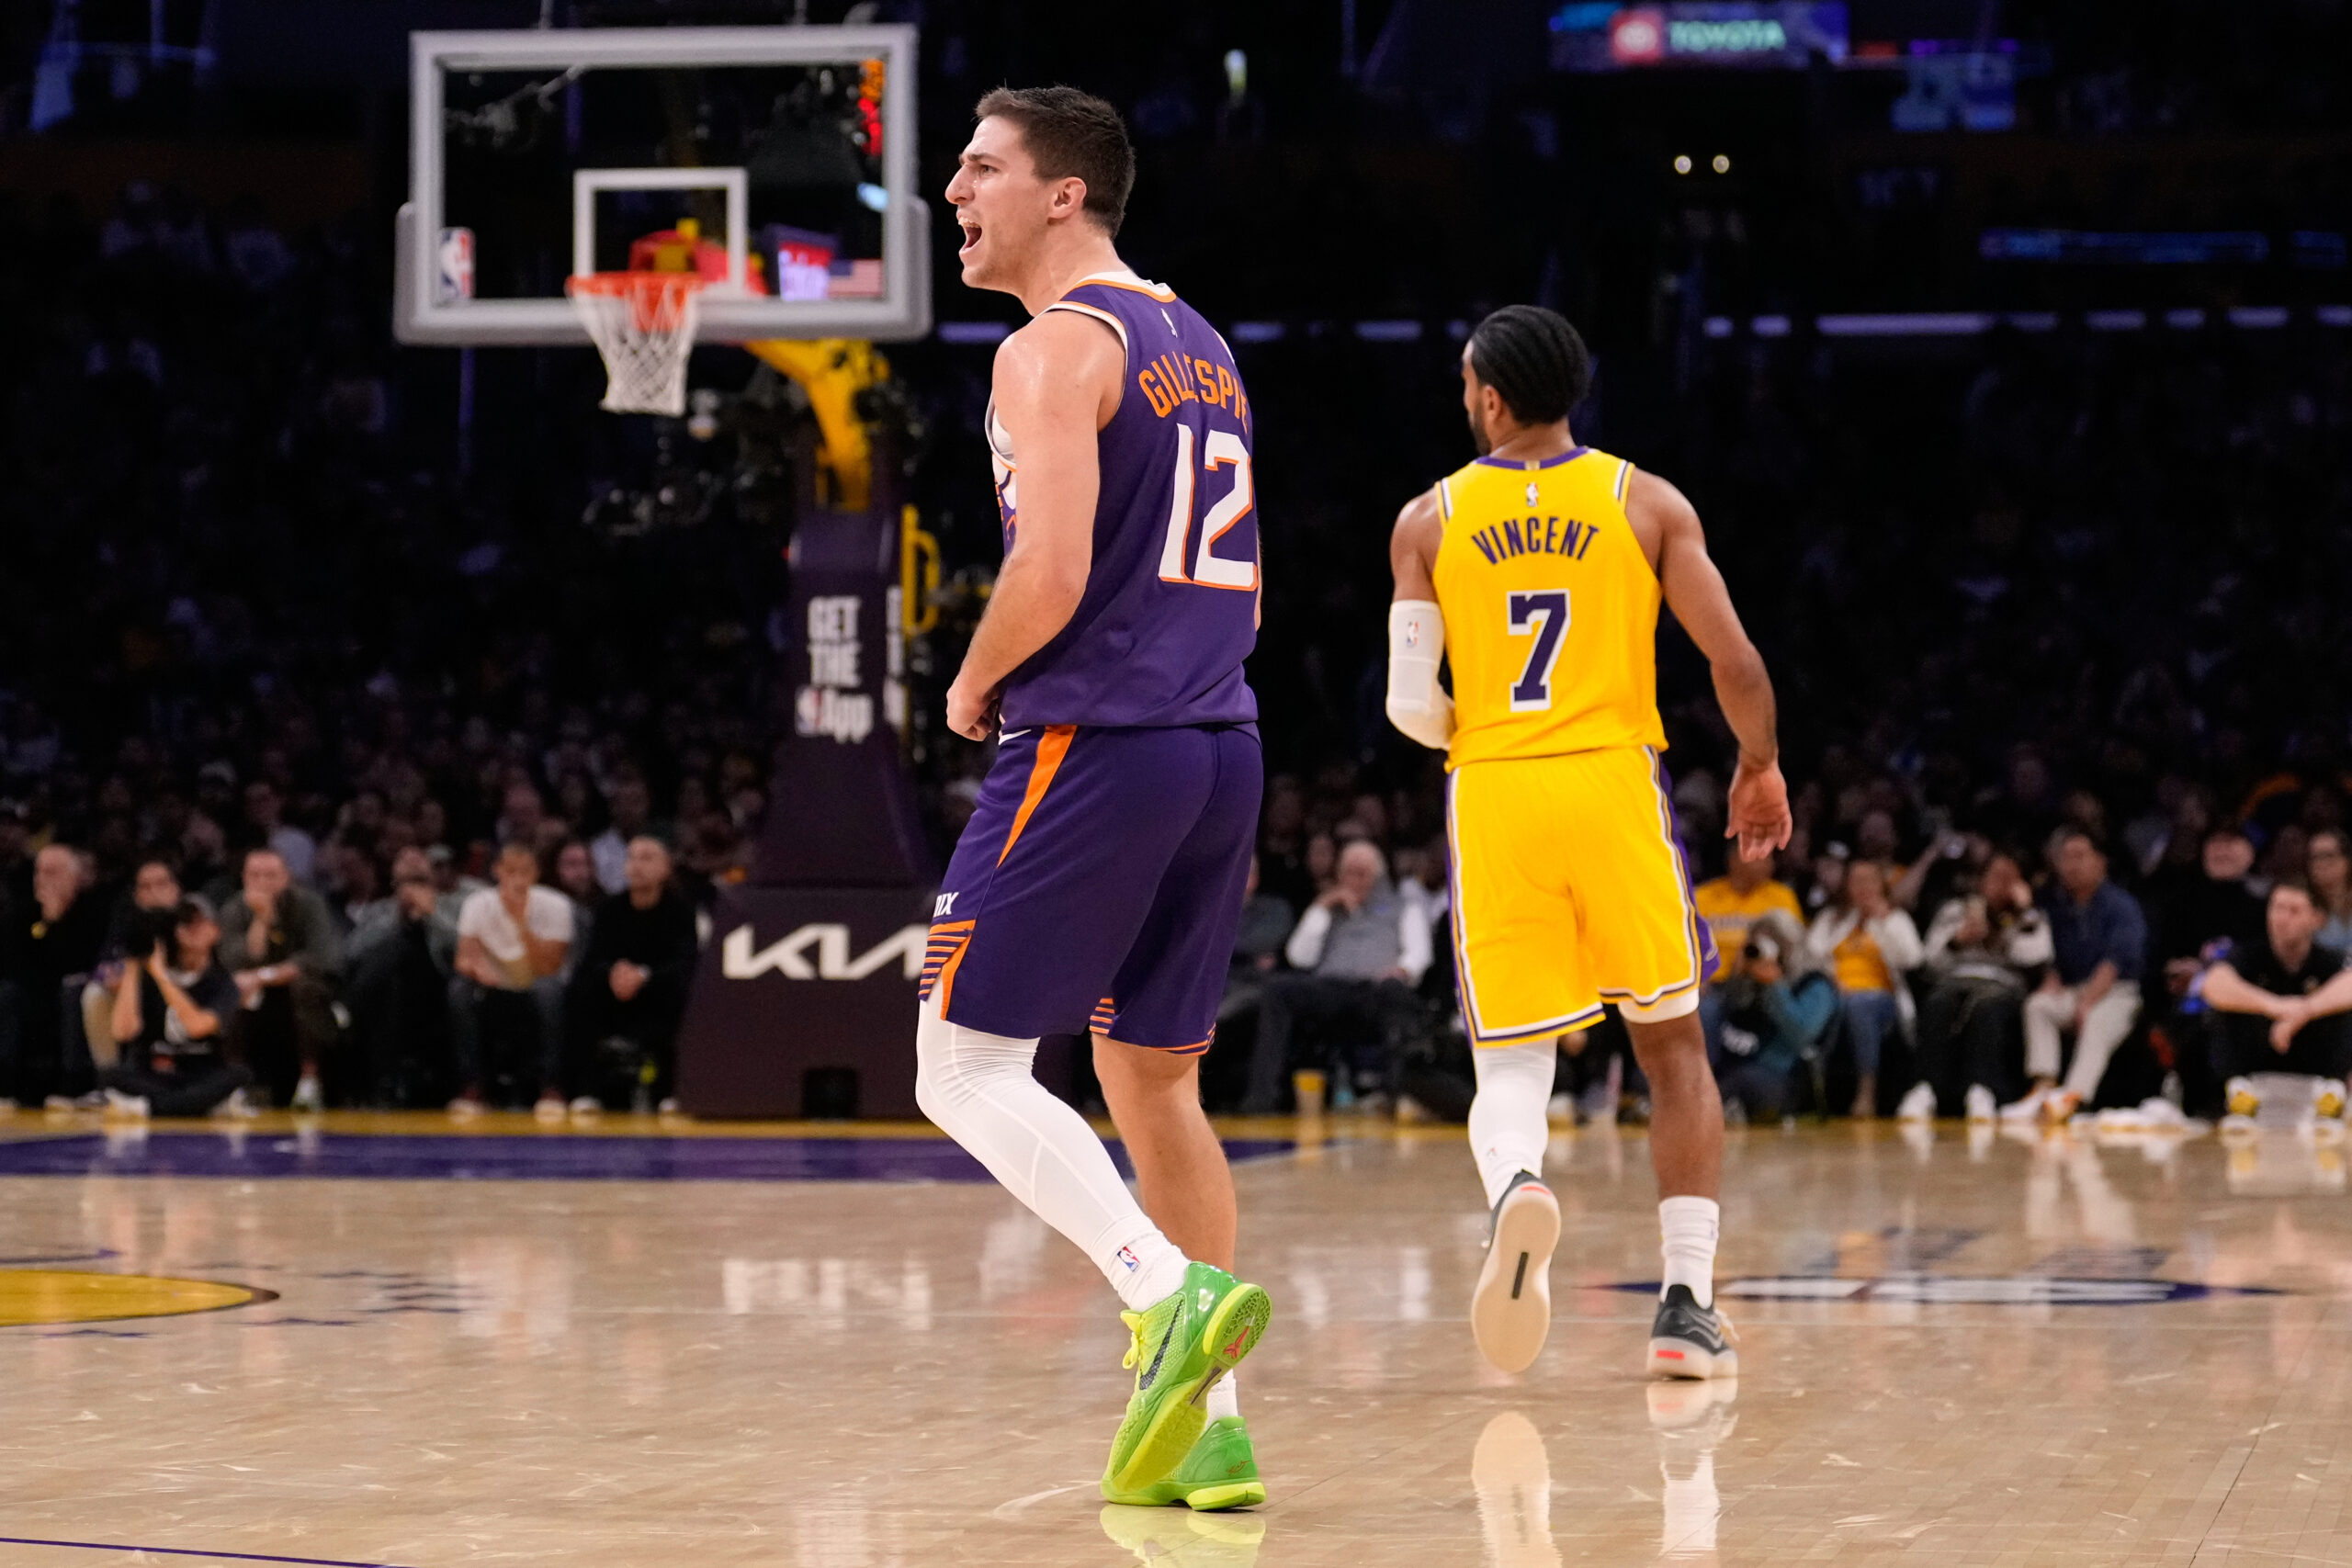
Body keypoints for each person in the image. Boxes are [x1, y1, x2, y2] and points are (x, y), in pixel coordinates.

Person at [918, 85, 1273, 1511]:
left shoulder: (1049, 350)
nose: (956, 188)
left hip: (1102, 736)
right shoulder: (1201, 343)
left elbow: (1051, 571)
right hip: (1217, 741)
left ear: (1064, 195)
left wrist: (969, 675)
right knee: (1155, 1086)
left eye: (984, 166)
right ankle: (1216, 1426)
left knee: (961, 1066)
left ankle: (1157, 1288)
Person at [1385, 303, 1791, 1379]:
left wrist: (1473, 731)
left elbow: (1405, 704)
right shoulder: (1644, 502)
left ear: (1488, 394)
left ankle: (1517, 1187)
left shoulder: (1424, 520)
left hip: (1495, 791)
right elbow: (1736, 663)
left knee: (1510, 1055)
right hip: (1611, 781)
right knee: (1671, 1048)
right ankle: (1685, 1307)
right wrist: (1758, 766)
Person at [1238, 840, 1432, 1112]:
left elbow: (1419, 954)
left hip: (1375, 991)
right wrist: (1321, 908)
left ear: (1378, 876)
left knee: (1396, 995)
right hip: (1330, 989)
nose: (1355, 880)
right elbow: (1299, 957)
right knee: (1278, 990)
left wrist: (1402, 970)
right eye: (1348, 872)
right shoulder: (1329, 908)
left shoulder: (1402, 906)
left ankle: (1396, 1096)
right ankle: (1261, 1098)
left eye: (1362, 873)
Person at [2005, 829, 2147, 1124]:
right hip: (2074, 988)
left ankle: (2075, 1098)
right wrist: (2052, 978)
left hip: (2117, 992)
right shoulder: (2056, 906)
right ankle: (2044, 1088)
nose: (2072, 865)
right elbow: (2050, 954)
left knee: (2096, 1022)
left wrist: (2087, 1003)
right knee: (2038, 1006)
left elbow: (2116, 961)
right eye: (2066, 858)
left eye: (2080, 856)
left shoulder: (2121, 906)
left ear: (2100, 862)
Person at [1896, 852, 2051, 1123]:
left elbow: (2036, 956)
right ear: (1981, 881)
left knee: (1987, 1010)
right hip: (1954, 981)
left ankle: (1983, 1089)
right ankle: (1925, 1088)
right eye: (1995, 877)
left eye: (2009, 879)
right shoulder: (1956, 911)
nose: (2001, 885)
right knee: (1937, 1004)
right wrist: (1958, 940)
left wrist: (2023, 913)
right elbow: (1929, 960)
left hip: (2001, 985)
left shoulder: (2031, 917)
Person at [2201, 879, 2352, 1130]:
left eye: (2294, 911)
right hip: (2259, 1051)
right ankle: (2238, 1092)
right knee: (2224, 1007)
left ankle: (2332, 1092)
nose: (2282, 918)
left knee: (2343, 1008)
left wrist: (2302, 1013)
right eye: (2277, 908)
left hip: (2312, 1055)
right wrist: (2275, 1006)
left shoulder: (2329, 959)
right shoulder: (2247, 955)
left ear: (2317, 919)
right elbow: (2213, 985)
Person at [564, 837, 697, 1113]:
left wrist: (644, 975)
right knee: (579, 990)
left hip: (657, 992)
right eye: (632, 858)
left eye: (647, 858)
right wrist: (614, 972)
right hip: (614, 992)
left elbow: (684, 962)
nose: (637, 865)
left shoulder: (680, 911)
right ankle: (587, 1091)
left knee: (684, 992)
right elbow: (592, 958)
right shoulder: (608, 909)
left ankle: (668, 1092)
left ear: (665, 868)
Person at [449, 841, 572, 1117]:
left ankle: (551, 1087)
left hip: (536, 983)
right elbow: (463, 958)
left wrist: (520, 922)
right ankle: (472, 1086)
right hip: (493, 987)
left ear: (536, 873)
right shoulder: (477, 904)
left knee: (550, 991)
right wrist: (478, 971)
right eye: (511, 871)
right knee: (459, 990)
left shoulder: (556, 905)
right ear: (497, 872)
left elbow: (549, 966)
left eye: (525, 871)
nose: (518, 879)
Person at [101, 895, 253, 1119]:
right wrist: (134, 965)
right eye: (184, 922)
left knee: (239, 1075)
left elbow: (197, 1027)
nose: (190, 928)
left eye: (198, 921)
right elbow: (123, 1032)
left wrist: (162, 977)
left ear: (215, 930)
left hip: (200, 1073)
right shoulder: (147, 974)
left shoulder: (223, 983)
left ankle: (150, 1107)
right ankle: (192, 1106)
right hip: (154, 1073)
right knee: (109, 1074)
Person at [218, 847, 341, 1111]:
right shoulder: (233, 910)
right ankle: (235, 1084)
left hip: (304, 999)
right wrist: (262, 920)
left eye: (271, 875)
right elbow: (234, 961)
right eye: (255, 875)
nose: (262, 883)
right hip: (256, 1004)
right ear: (243, 878)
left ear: (286, 877)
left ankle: (310, 1080)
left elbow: (318, 960)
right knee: (230, 990)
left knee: (303, 985)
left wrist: (263, 976)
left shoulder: (309, 905)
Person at [1804, 858, 1924, 1119]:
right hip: (1835, 993)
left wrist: (1881, 923)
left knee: (1859, 1005)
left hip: (1881, 998)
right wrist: (1832, 980)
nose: (1863, 887)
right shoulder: (1832, 919)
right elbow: (1810, 957)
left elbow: (1912, 958)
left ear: (1882, 885)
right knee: (1831, 1004)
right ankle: (1812, 1090)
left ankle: (1866, 1091)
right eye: (1856, 881)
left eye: (1870, 881)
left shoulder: (1895, 919)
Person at [0, 843, 105, 1107]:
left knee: (72, 990)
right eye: (39, 872)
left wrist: (56, 923)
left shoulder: (93, 912)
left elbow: (84, 963)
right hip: (33, 994)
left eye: (53, 872)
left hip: (74, 995)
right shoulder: (22, 914)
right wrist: (46, 921)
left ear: (75, 878)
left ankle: (73, 1084)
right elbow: (12, 963)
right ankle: (5, 1084)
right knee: (7, 994)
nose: (42, 880)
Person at [1706, 918, 1835, 1124]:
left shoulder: (1816, 984)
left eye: (1773, 943)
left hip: (1784, 1075)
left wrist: (1776, 984)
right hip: (1735, 1062)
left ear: (1791, 946)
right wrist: (1737, 977)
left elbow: (1801, 1035)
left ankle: (1700, 1110)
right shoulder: (1749, 976)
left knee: (1745, 1080)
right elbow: (1729, 1018)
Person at [1691, 841, 1802, 985]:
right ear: (1734, 861)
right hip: (1712, 983)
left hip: (1763, 983)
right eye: (1759, 858)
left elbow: (1795, 946)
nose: (1768, 864)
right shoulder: (1703, 897)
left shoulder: (1782, 897)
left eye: (1769, 858)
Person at [2308, 829, 2352, 952]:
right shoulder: (2302, 905)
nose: (2319, 863)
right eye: (2314, 857)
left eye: (2328, 855)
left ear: (2346, 861)